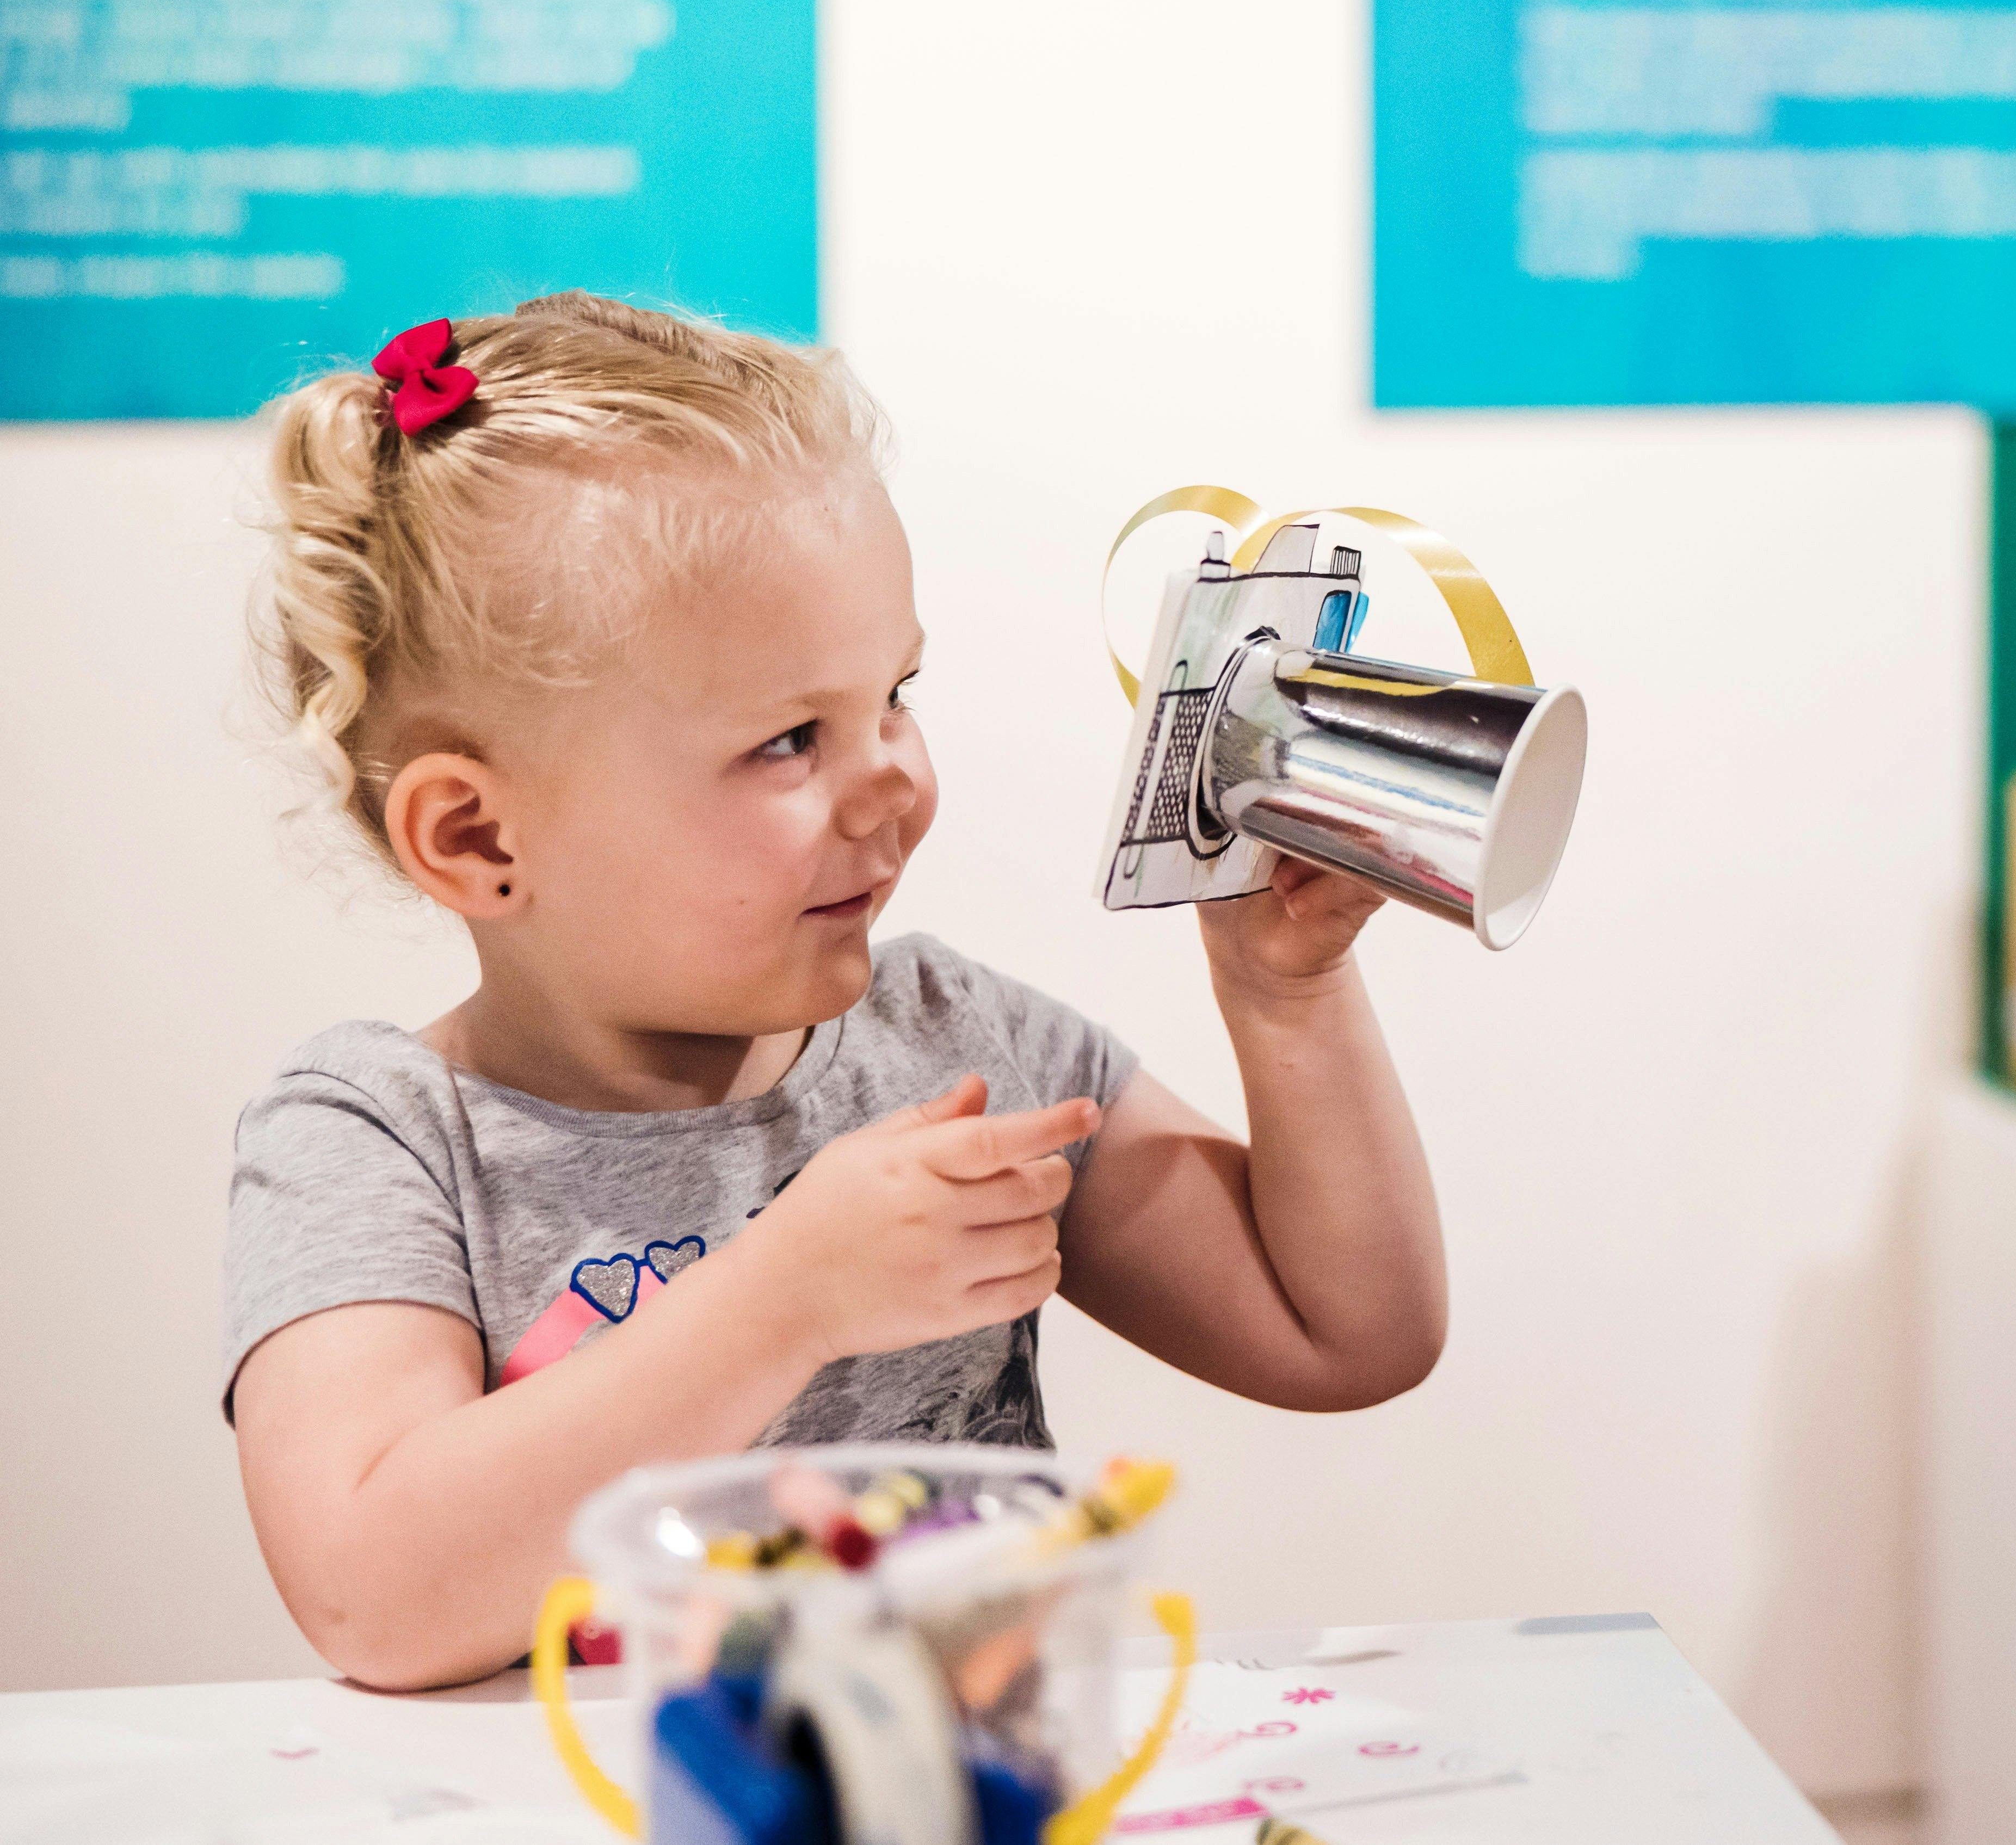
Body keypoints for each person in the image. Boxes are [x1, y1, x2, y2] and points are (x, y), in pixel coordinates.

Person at [223, 296, 1446, 1690]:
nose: (896, 781)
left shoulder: (960, 1048)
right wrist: (783, 1297)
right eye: (790, 738)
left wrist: (1285, 1001)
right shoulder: (372, 1140)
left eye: (897, 696)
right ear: (480, 839)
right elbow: (373, 1600)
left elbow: (1345, 1335)